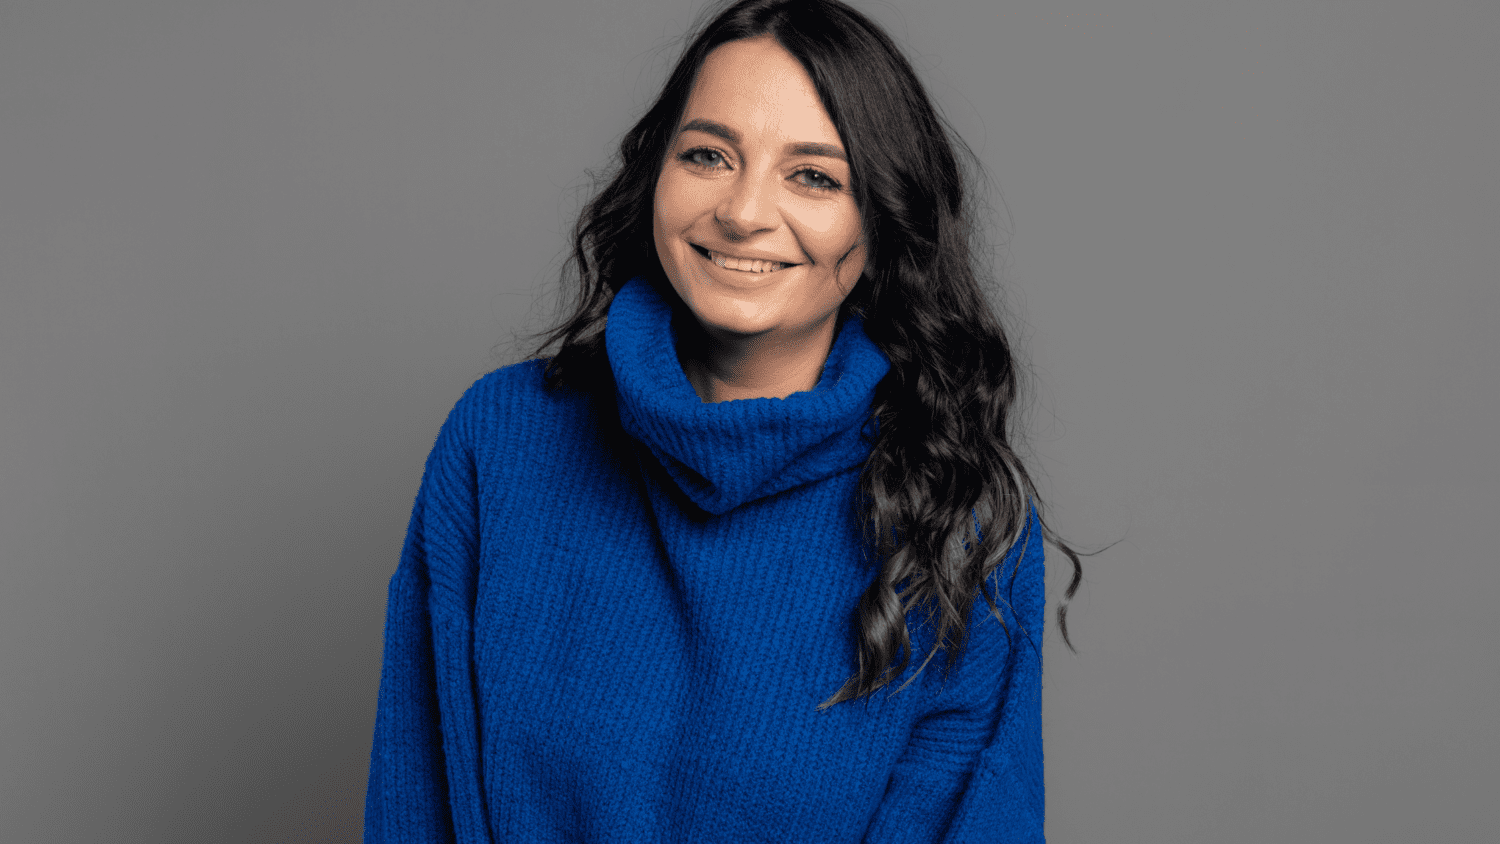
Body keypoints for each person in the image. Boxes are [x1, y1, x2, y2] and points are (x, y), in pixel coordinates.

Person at [364, 0, 1081, 841]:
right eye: (708, 155)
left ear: (883, 224)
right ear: (655, 175)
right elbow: (418, 801)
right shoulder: (502, 440)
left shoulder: (961, 518)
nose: (742, 212)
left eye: (813, 175)